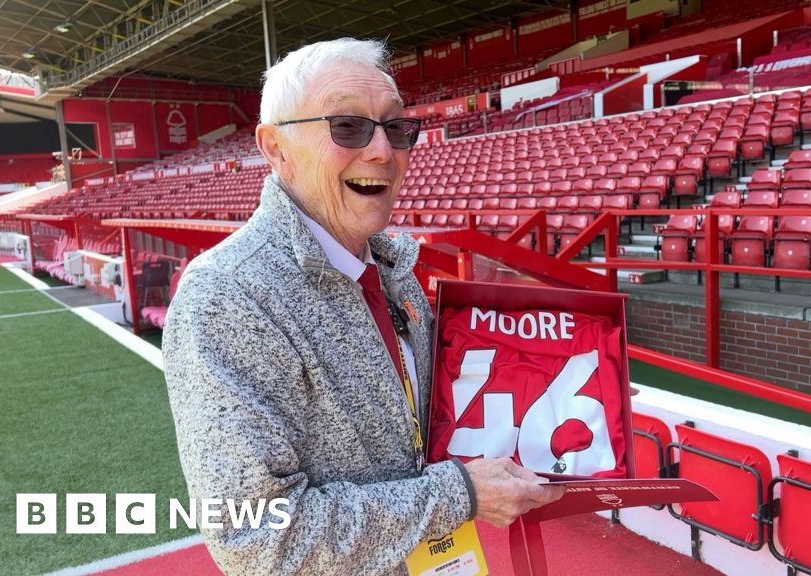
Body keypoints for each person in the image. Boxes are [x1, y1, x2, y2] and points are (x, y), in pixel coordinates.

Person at [162, 38, 563, 576]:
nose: (383, 151)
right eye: (347, 126)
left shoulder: (393, 267)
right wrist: (456, 496)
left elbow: (430, 423)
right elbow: (254, 535)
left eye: (396, 127)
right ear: (275, 147)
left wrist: (551, 381)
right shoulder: (227, 294)